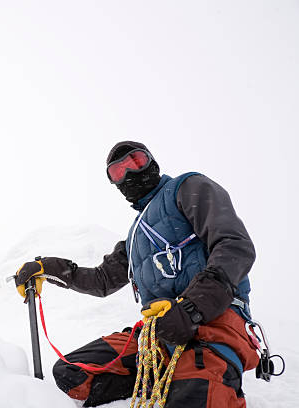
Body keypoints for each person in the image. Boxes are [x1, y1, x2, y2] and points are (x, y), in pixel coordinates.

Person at [14, 141, 259, 407]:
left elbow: (235, 245)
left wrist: (191, 308)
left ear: (152, 162)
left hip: (211, 322)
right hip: (158, 335)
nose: (130, 174)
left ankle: (198, 383)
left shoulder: (187, 188)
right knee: (72, 373)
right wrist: (47, 268)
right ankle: (162, 382)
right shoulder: (134, 238)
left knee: (194, 396)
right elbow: (102, 280)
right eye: (119, 172)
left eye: (136, 162)